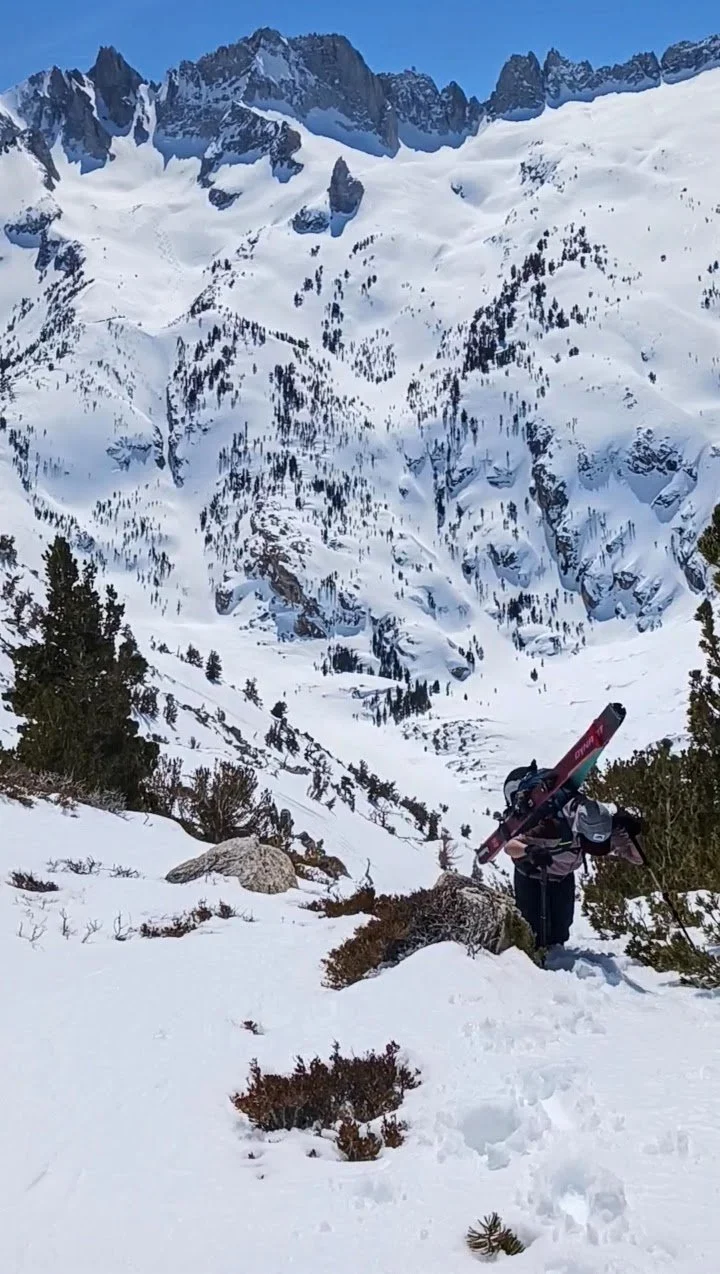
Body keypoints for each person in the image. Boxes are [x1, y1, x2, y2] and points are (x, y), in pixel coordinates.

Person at [502, 766, 643, 949]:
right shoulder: (551, 828)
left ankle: (556, 958)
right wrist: (530, 850)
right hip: (532, 875)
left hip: (563, 876)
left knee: (560, 931)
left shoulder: (601, 825)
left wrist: (632, 832)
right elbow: (510, 847)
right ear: (580, 831)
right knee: (532, 932)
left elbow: (637, 858)